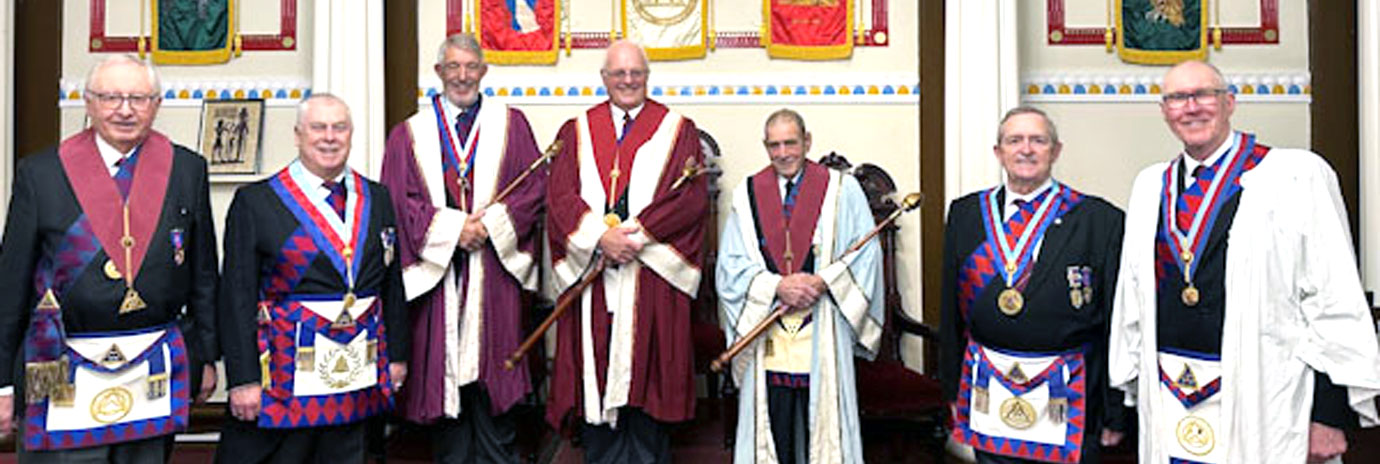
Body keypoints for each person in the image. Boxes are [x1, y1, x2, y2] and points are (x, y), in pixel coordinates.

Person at [1109, 60, 1380, 463]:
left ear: (1230, 102)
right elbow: (1133, 297)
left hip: (1267, 397)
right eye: (1178, 98)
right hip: (1171, 391)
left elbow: (1332, 297)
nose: (1191, 107)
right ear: (1165, 111)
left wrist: (1328, 414)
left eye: (1204, 94)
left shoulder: (1294, 175)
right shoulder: (1151, 186)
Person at [0, 54, 219, 460]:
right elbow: (11, 283)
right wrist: (1, 382)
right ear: (88, 101)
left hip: (153, 363)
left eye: (138, 97)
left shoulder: (187, 168)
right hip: (61, 364)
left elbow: (203, 272)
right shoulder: (41, 173)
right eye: (110, 97)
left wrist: (206, 354)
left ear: (156, 104)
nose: (124, 109)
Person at [379, 33, 546, 463]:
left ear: (484, 71)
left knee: (496, 386)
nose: (462, 76)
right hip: (440, 277)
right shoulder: (409, 135)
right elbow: (399, 201)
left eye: (471, 66)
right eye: (453, 67)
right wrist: (454, 229)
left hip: (494, 271)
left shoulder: (512, 125)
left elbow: (532, 191)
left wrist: (487, 226)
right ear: (438, 73)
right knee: (445, 392)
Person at [215, 93, 409, 464]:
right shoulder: (256, 202)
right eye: (318, 127)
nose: (329, 137)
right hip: (282, 377)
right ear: (298, 134)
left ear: (351, 134)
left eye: (340, 128)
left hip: (354, 374)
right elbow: (235, 296)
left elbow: (391, 285)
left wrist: (397, 356)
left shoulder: (378, 198)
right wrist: (242, 378)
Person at [545, 40, 708, 463]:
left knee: (649, 377)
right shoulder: (576, 130)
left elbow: (689, 202)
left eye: (636, 73)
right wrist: (601, 238)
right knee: (596, 371)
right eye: (618, 74)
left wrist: (636, 237)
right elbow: (560, 197)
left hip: (651, 275)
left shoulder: (677, 128)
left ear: (647, 77)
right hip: (595, 275)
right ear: (604, 79)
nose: (628, 81)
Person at [941, 107, 1127, 463]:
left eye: (1038, 140)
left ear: (1055, 151)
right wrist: (951, 388)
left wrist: (1114, 409)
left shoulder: (1099, 220)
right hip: (989, 390)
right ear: (999, 152)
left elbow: (1114, 323)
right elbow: (950, 309)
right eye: (1015, 140)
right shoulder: (966, 214)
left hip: (1072, 398)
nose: (1026, 149)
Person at [716, 109, 883, 463]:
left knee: (821, 429)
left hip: (824, 325)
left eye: (790, 143)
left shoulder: (842, 189)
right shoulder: (748, 194)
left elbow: (866, 257)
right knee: (772, 425)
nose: (783, 153)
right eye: (774, 145)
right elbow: (730, 266)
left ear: (807, 142)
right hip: (768, 325)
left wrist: (824, 281)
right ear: (765, 147)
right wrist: (776, 286)